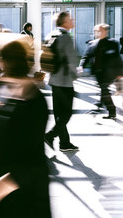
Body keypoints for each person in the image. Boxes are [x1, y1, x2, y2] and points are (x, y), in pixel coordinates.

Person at [0, 41, 52, 218]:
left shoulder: (31, 105)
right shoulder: (16, 97)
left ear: (8, 64)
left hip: (25, 201)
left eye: (0, 60)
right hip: (8, 195)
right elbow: (9, 145)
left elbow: (25, 168)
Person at [44, 12, 79, 152]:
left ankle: (64, 143)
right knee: (67, 113)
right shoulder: (66, 37)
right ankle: (50, 135)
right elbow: (71, 60)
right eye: (70, 19)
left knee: (59, 113)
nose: (73, 20)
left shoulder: (52, 35)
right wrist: (75, 75)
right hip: (65, 81)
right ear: (64, 22)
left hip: (53, 79)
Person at [78, 24, 122, 119]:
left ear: (106, 31)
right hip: (98, 73)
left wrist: (119, 73)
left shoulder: (113, 43)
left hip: (109, 73)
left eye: (99, 30)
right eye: (96, 31)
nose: (97, 32)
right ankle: (106, 109)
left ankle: (102, 108)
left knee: (104, 90)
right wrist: (81, 66)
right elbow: (86, 57)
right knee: (104, 91)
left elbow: (117, 58)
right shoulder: (92, 43)